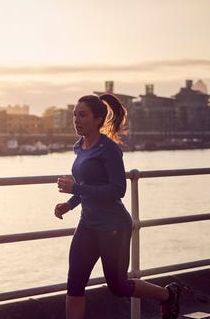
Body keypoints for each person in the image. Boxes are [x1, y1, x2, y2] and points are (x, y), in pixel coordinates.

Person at [54, 94, 181, 319]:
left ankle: (168, 296)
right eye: (74, 115)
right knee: (74, 284)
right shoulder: (79, 147)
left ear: (98, 119)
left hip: (113, 227)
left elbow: (117, 189)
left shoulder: (109, 149)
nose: (76, 119)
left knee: (118, 286)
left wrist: (76, 190)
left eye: (82, 115)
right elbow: (88, 185)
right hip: (88, 225)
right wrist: (70, 204)